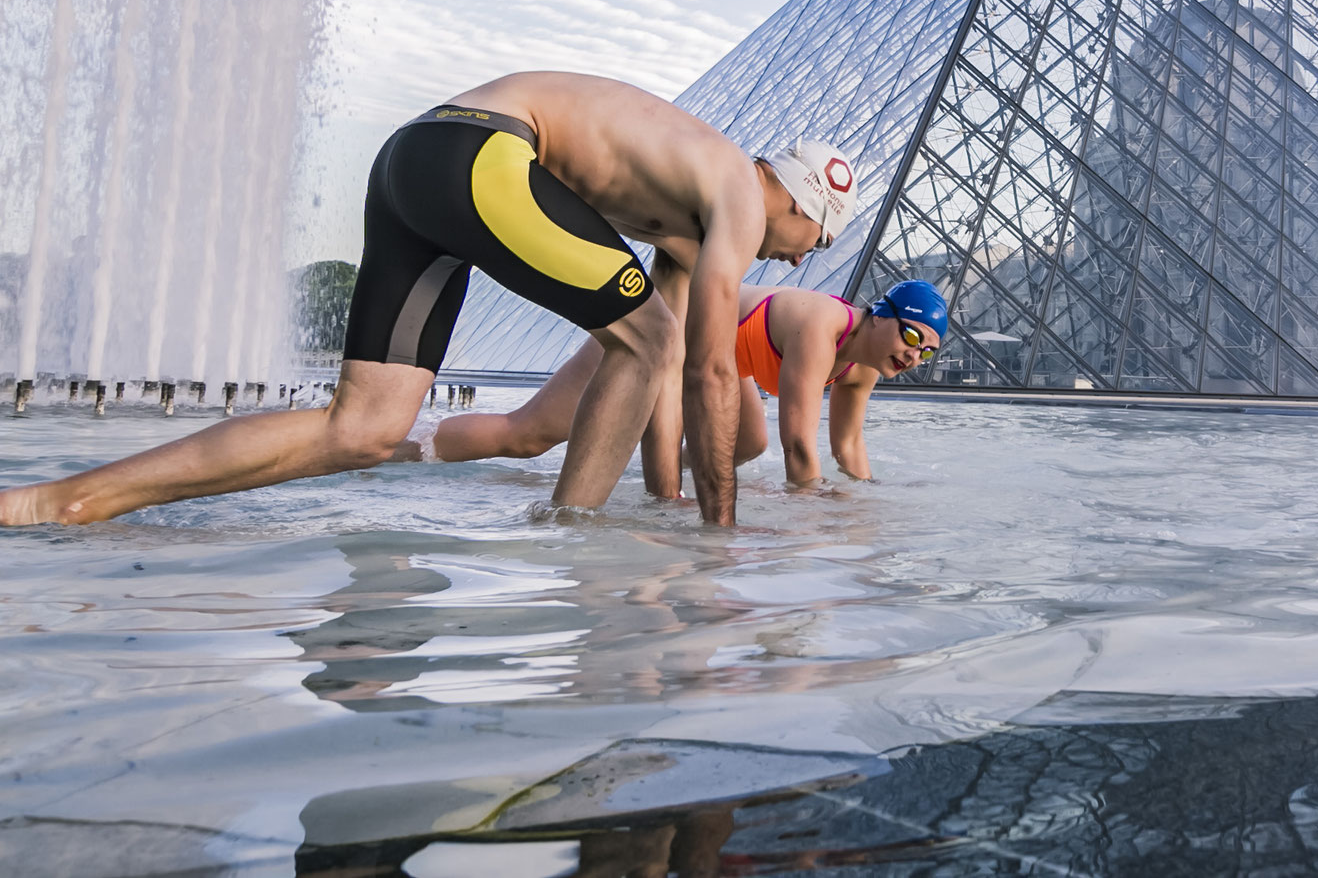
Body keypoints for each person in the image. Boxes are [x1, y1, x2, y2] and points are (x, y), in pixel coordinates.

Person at [0, 72, 857, 528]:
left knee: (363, 428)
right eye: (808, 244)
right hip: (483, 156)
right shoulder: (741, 198)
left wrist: (670, 504)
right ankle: (571, 535)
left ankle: (65, 499)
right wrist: (720, 542)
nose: (789, 262)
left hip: (419, 157)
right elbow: (706, 368)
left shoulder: (692, 207)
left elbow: (663, 383)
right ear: (798, 204)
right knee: (655, 342)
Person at [405, 280, 948, 488]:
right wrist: (812, 522)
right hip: (660, 328)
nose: (914, 354)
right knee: (527, 435)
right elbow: (801, 445)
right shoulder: (822, 324)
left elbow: (849, 448)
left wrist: (869, 502)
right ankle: (398, 444)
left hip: (713, 359)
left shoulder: (862, 373)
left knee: (745, 443)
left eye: (927, 350)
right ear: (880, 314)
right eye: (910, 335)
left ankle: (642, 471)